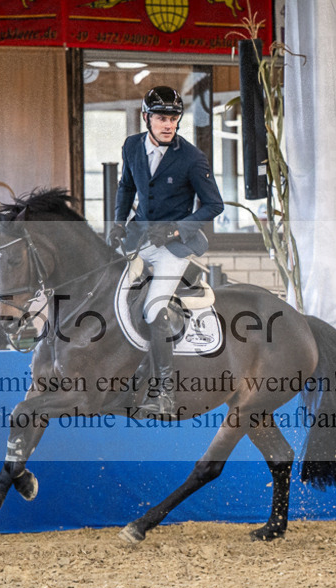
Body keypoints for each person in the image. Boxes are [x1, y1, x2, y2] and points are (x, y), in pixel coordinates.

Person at [109, 85, 224, 418]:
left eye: (173, 118)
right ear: (146, 117)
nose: (168, 125)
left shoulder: (192, 158)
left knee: (153, 309)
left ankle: (164, 393)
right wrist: (118, 222)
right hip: (140, 239)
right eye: (161, 118)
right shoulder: (132, 146)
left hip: (173, 247)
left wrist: (175, 229)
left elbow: (214, 205)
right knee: (111, 296)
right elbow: (126, 186)